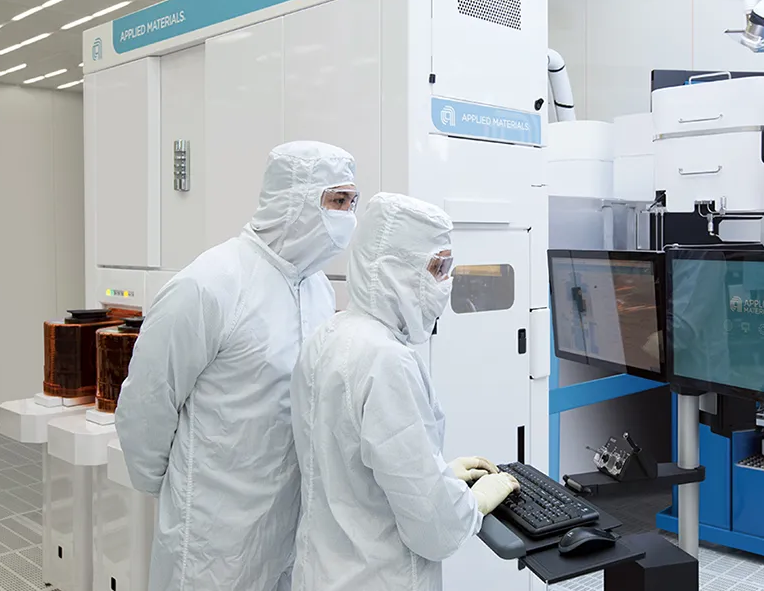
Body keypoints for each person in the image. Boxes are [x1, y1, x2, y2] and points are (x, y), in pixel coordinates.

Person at [116, 141, 359, 591]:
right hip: (213, 538)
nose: (347, 217)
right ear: (295, 200)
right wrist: (175, 495)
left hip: (289, 526)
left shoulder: (317, 289)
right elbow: (147, 403)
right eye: (337, 201)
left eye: (352, 202)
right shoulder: (210, 283)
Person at [289, 192, 519, 591]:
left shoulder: (330, 334)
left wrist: (441, 475)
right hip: (377, 577)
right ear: (393, 269)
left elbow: (357, 473)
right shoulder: (385, 360)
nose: (445, 283)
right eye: (436, 267)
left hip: (324, 572)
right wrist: (476, 500)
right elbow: (435, 528)